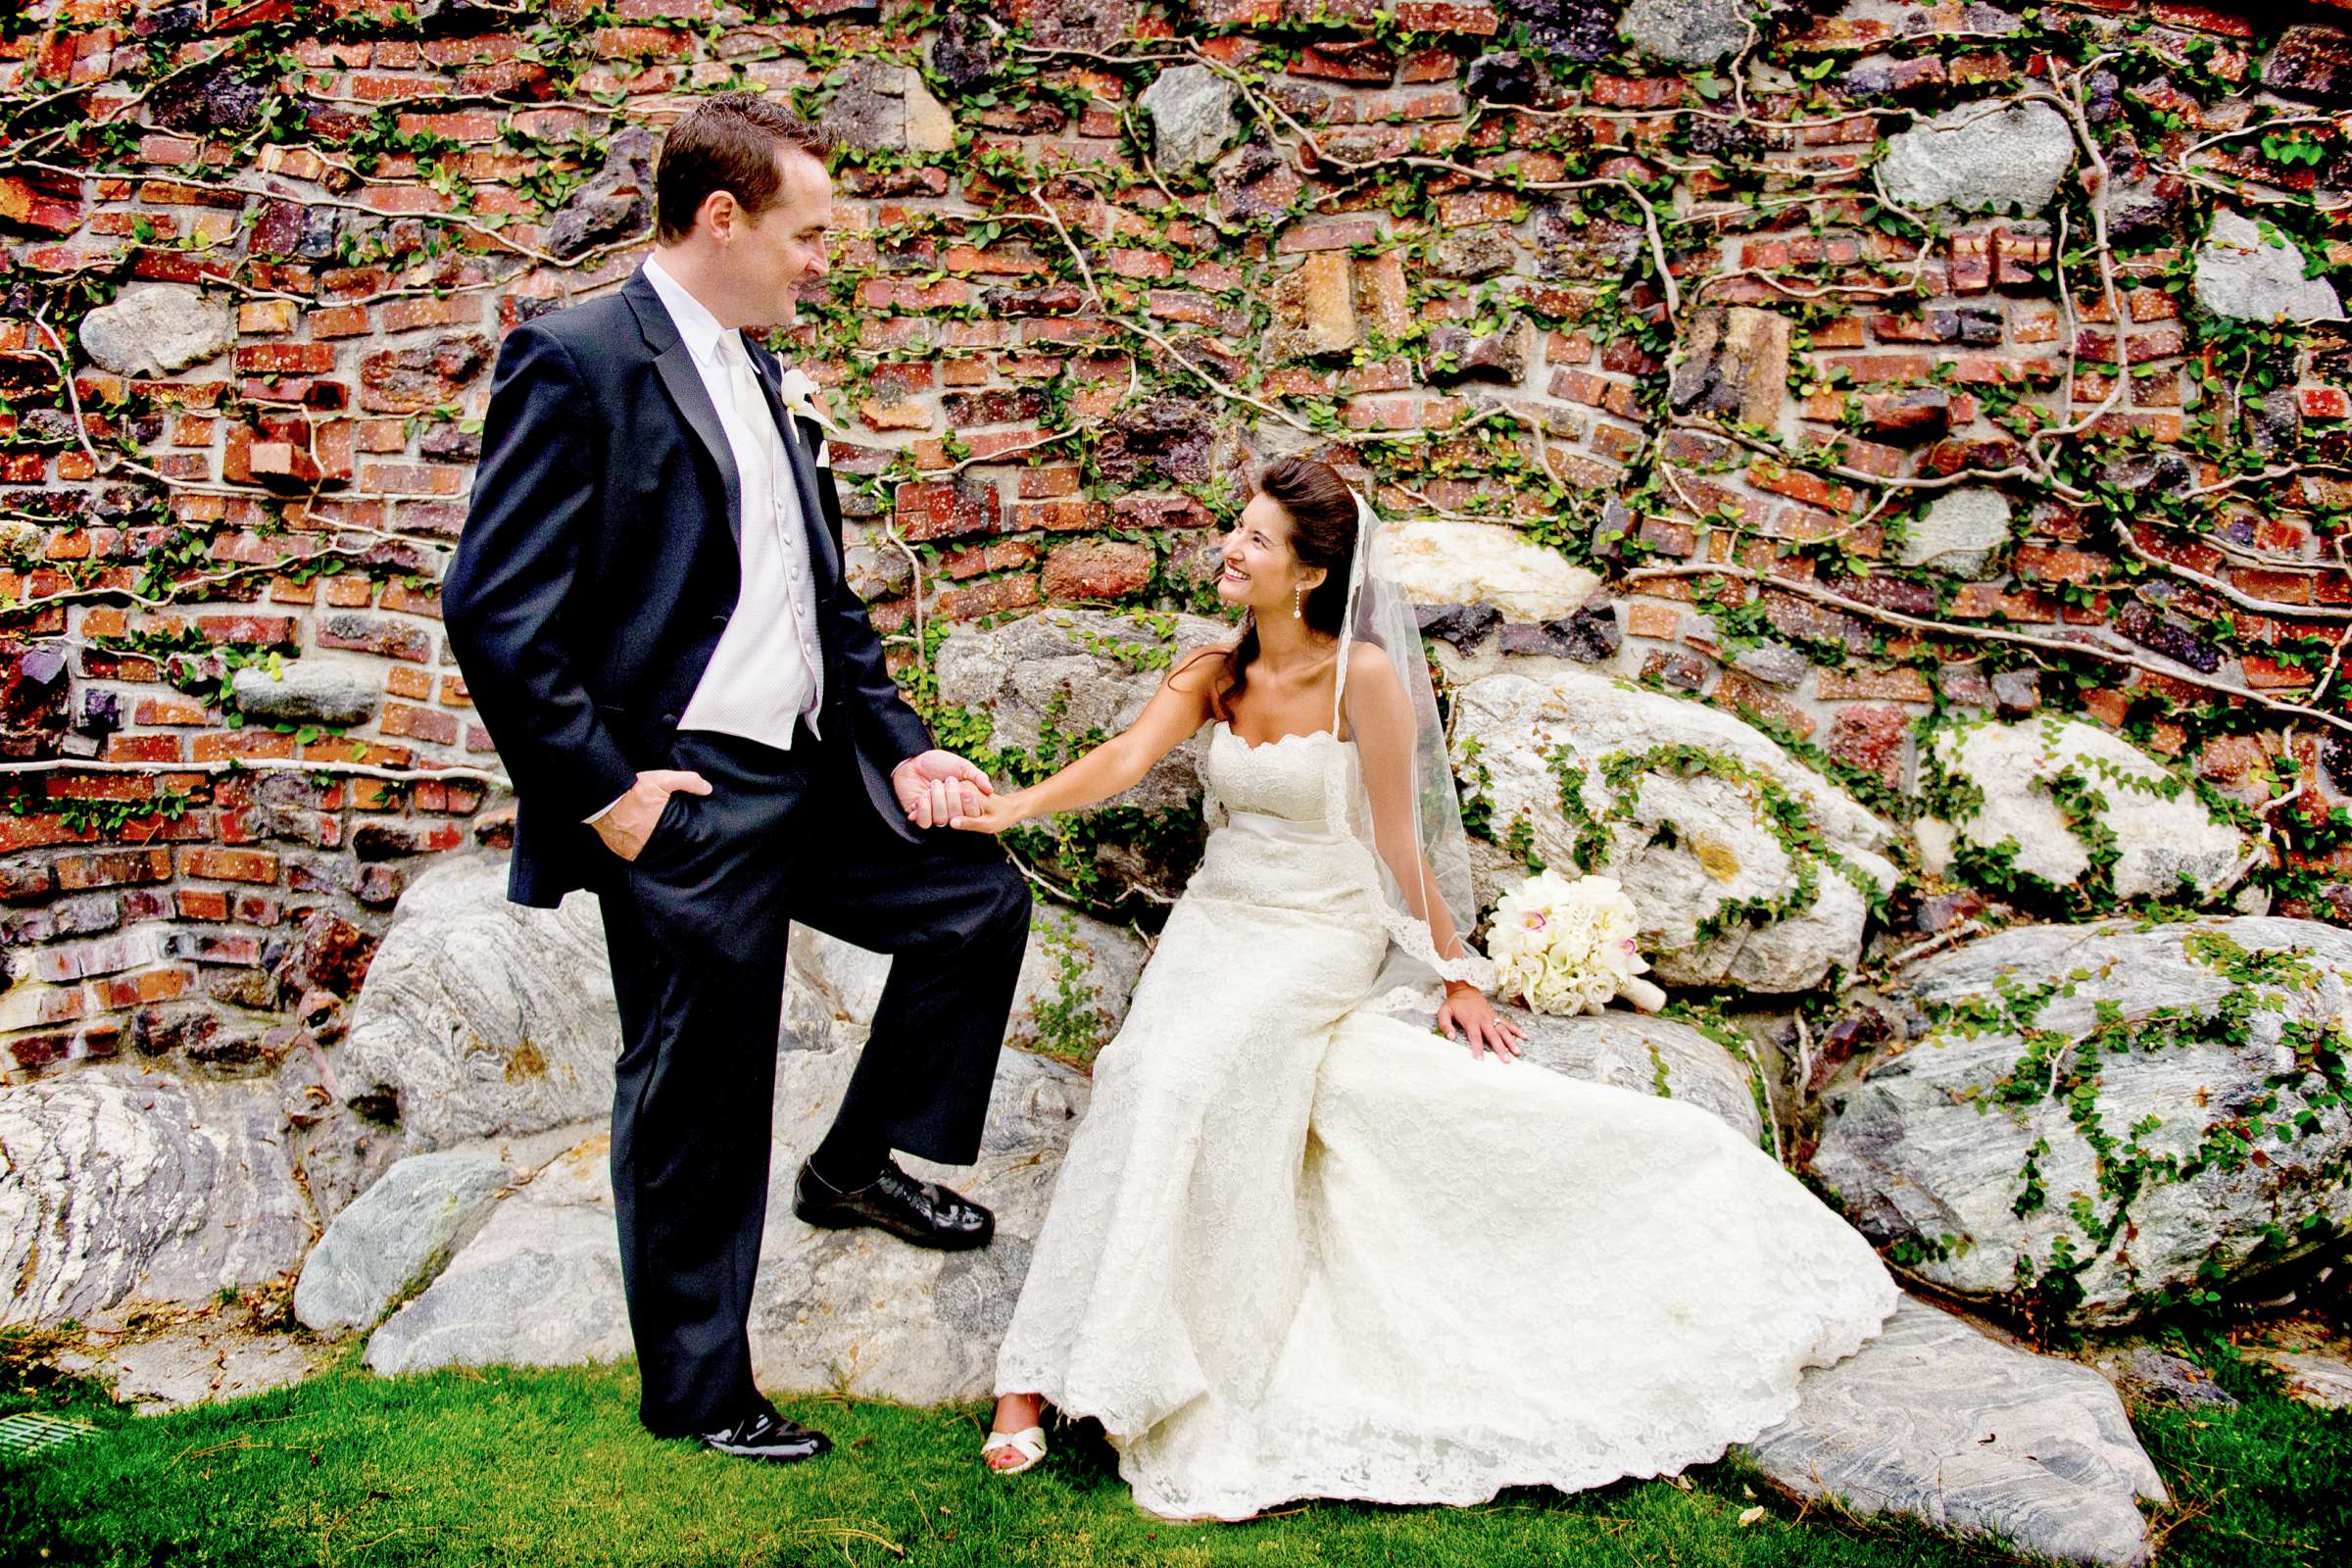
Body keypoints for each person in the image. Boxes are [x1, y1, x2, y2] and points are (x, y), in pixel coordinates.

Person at [954, 457, 1902, 1517]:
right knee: (1142, 1067)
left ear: (1311, 572)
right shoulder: (1207, 671)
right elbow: (1124, 759)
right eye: (1239, 528)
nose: (1233, 545)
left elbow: (1402, 842)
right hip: (1219, 921)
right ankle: (1030, 1377)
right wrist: (1007, 809)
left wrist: (1454, 973)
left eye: (1258, 538)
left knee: (1198, 1073)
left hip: (1321, 928)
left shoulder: (1364, 677)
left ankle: (1173, 1362)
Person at [442, 94, 1031, 1465]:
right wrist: (610, 794)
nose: (823, 259)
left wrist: (901, 745)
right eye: (806, 233)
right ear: (722, 218)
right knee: (701, 1087)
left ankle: (855, 1165)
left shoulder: (764, 369)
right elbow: (493, 610)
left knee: (972, 901)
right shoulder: (577, 357)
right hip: (682, 792)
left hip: (807, 769)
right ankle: (703, 1394)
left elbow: (818, 600)